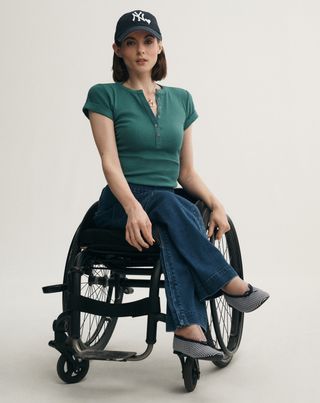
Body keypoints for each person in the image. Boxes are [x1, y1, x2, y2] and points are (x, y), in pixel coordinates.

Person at [82, 9, 269, 360]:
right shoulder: (104, 95)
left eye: (148, 41)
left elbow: (186, 172)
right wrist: (133, 207)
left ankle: (188, 329)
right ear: (118, 50)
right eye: (131, 42)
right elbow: (109, 161)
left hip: (166, 208)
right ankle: (228, 283)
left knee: (174, 213)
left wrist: (216, 203)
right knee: (175, 208)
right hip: (121, 204)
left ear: (160, 46)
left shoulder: (181, 100)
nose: (141, 50)